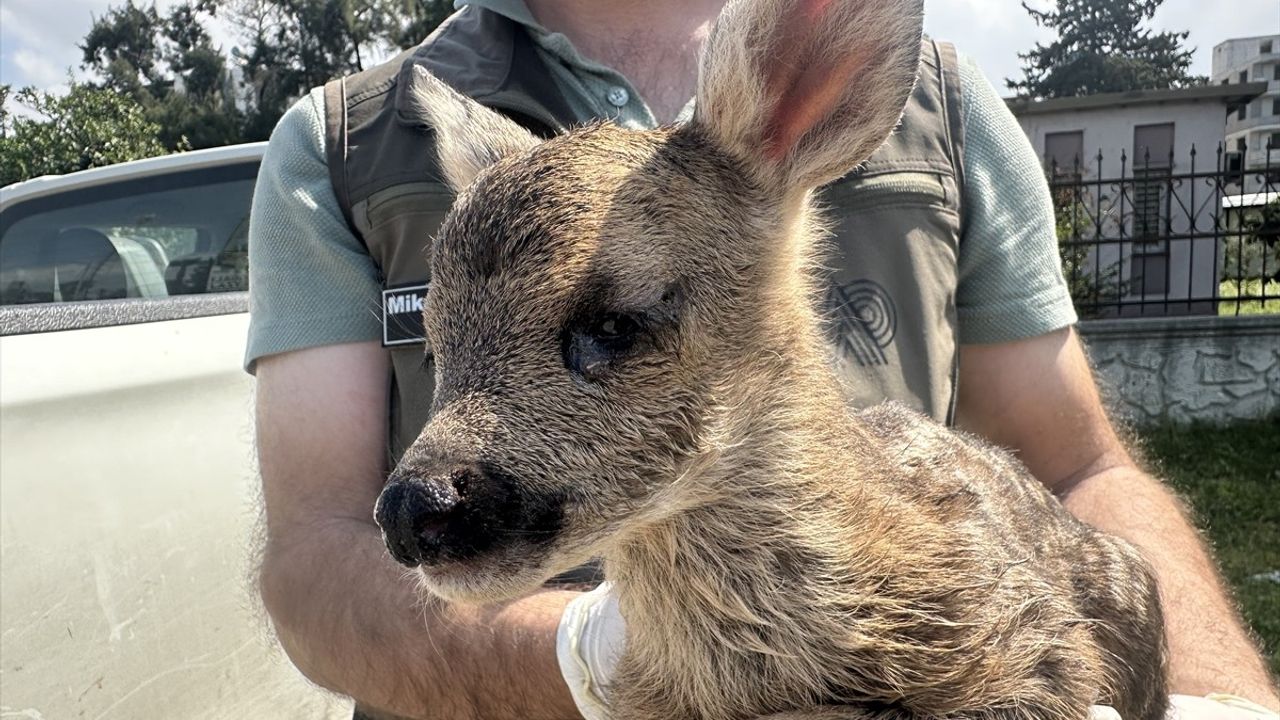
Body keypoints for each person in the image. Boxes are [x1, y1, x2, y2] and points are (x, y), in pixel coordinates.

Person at [246, 1, 1280, 718]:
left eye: (611, 331)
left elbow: (1079, 471)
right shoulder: (348, 141)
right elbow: (314, 555)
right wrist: (589, 664)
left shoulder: (943, 110)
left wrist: (1219, 699)